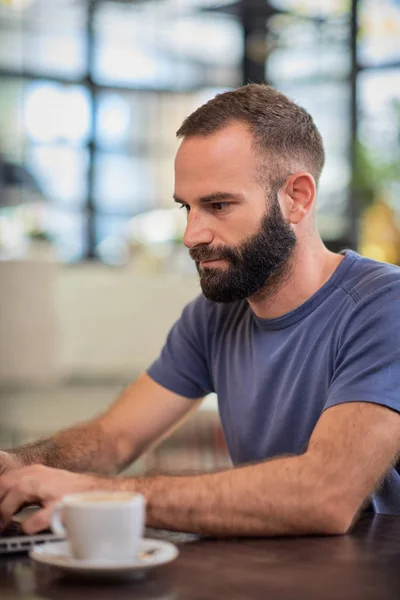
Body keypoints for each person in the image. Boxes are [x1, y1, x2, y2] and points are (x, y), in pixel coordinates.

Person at [1, 84, 400, 538]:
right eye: (186, 207)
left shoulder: (384, 305)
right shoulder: (215, 316)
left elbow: (325, 495)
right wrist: (21, 466)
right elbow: (116, 437)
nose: (192, 235)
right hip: (268, 573)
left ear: (298, 198)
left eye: (218, 205)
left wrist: (95, 494)